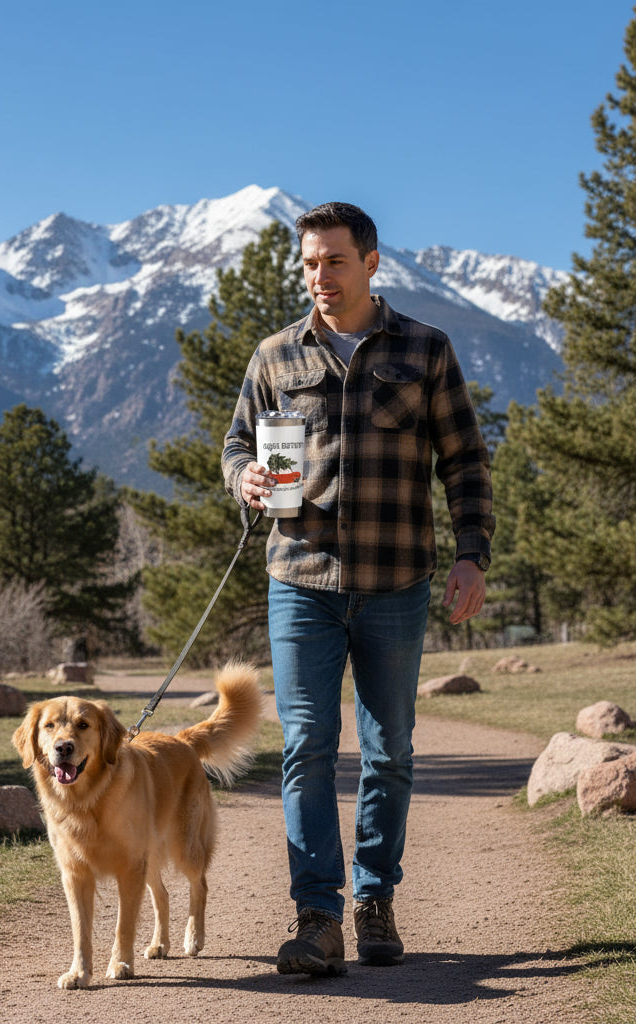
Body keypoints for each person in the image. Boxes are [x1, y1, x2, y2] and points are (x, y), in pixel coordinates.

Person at [221, 201, 494, 977]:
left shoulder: (425, 348)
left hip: (396, 582)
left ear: (371, 263)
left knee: (390, 752)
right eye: (309, 264)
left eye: (334, 262)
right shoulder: (275, 355)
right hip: (299, 581)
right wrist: (242, 475)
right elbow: (239, 441)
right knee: (306, 746)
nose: (320, 277)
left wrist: (471, 554)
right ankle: (317, 917)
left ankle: (375, 899)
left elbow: (465, 460)